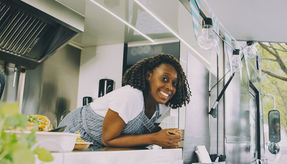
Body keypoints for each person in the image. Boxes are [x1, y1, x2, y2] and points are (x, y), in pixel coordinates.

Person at [59, 54, 191, 148]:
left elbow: (146, 134)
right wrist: (156, 138)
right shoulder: (131, 96)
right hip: (74, 134)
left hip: (98, 146)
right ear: (148, 75)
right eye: (164, 79)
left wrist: (167, 137)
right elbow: (108, 139)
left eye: (174, 83)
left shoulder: (162, 107)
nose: (170, 87)